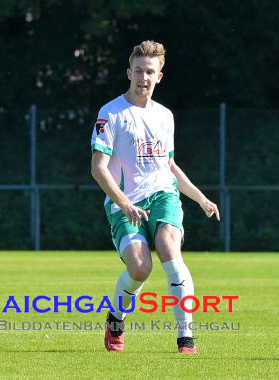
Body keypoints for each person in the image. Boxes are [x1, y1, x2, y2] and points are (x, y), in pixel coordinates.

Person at [90, 40, 220, 354]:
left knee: (168, 249)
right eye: (138, 70)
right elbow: (98, 168)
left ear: (159, 76)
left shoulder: (165, 116)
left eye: (150, 71)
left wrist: (200, 198)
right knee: (140, 268)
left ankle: (185, 338)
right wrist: (124, 203)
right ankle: (116, 320)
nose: (143, 77)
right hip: (125, 202)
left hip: (163, 196)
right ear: (128, 72)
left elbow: (169, 165)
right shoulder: (111, 113)